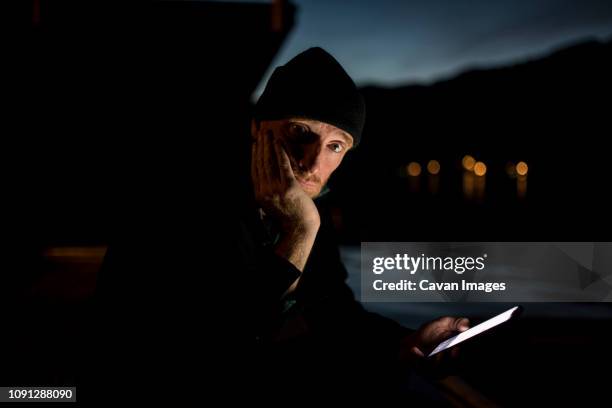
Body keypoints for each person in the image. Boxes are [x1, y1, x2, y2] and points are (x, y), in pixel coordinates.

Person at [89, 47, 470, 404]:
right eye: (300, 133)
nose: (312, 163)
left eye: (336, 146)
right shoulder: (185, 204)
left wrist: (407, 341)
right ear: (257, 129)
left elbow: (334, 312)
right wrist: (299, 232)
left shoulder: (301, 206)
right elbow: (226, 344)